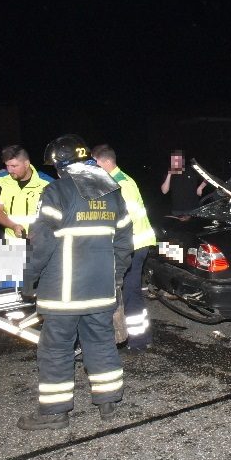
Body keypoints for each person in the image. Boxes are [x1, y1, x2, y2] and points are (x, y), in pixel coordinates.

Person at [17, 135, 133, 430]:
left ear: (61, 165)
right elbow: (123, 244)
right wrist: (115, 278)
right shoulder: (113, 192)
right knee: (101, 343)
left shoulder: (56, 191)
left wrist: (29, 278)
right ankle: (108, 404)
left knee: (56, 350)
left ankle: (54, 413)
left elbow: (40, 243)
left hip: (63, 293)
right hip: (101, 290)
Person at [93, 144, 156, 350]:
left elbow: (121, 221)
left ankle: (138, 341)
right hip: (133, 244)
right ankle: (141, 337)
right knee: (130, 292)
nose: (93, 167)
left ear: (105, 162)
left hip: (134, 245)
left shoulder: (121, 184)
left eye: (95, 163)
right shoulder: (117, 181)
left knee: (130, 293)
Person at [0, 145, 53, 239]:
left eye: (14, 166)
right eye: (7, 165)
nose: (9, 170)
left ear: (26, 164)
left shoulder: (48, 183)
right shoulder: (0, 180)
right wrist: (13, 226)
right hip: (12, 243)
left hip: (40, 243)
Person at [160, 150, 206, 215]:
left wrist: (200, 187)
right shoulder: (168, 174)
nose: (177, 161)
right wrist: (169, 174)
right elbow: (164, 191)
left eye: (179, 159)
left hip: (193, 209)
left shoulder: (192, 169)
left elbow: (207, 177)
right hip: (177, 211)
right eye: (174, 159)